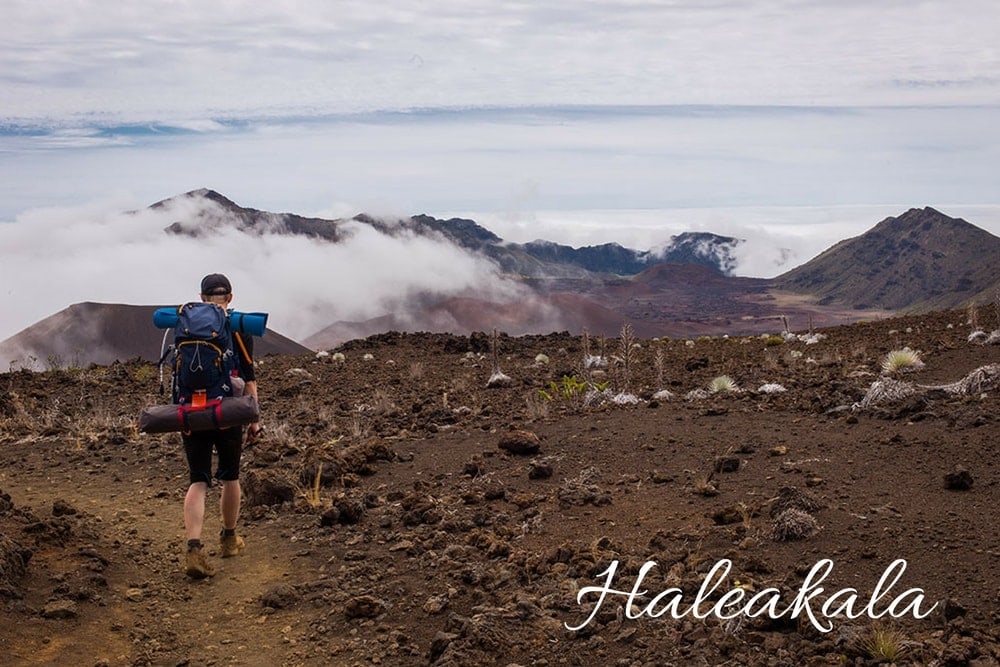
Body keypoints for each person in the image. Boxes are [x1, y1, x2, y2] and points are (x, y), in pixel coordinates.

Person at [182, 273, 264, 579]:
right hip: (228, 412)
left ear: (201, 297)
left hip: (192, 411)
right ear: (230, 297)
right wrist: (253, 420)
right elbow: (249, 379)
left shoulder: (186, 326)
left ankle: (193, 548)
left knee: (198, 480)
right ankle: (229, 540)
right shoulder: (240, 328)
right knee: (230, 476)